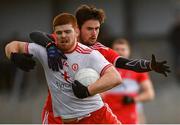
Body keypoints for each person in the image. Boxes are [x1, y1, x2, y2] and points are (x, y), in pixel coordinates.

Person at [28, 5, 170, 124]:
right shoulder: (62, 40)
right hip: (56, 112)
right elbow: (35, 34)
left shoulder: (98, 50)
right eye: (90, 29)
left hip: (89, 111)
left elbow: (125, 62)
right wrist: (50, 46)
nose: (94, 33)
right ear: (77, 29)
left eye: (97, 28)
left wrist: (149, 65)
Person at [5, 13, 122, 124]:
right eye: (59, 32)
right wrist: (13, 56)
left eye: (67, 31)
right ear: (54, 34)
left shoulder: (90, 54)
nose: (63, 35)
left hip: (96, 115)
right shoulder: (46, 52)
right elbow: (13, 45)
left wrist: (88, 90)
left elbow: (115, 77)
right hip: (63, 120)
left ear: (76, 32)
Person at [103, 38, 155, 124]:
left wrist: (133, 99)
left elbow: (150, 94)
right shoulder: (104, 68)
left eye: (123, 49)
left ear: (129, 51)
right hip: (109, 113)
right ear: (112, 51)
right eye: (117, 49)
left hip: (132, 113)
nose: (120, 52)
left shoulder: (138, 70)